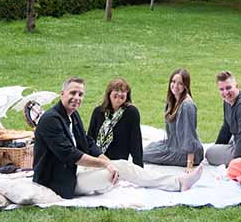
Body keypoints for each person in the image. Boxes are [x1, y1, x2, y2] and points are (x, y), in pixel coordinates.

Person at [33, 77, 202, 199]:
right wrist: (106, 164)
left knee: (122, 166)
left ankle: (176, 182)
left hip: (74, 171)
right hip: (59, 181)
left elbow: (87, 143)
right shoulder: (51, 120)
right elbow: (69, 154)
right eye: (73, 93)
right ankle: (179, 183)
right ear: (62, 93)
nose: (77, 98)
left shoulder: (72, 115)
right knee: (122, 168)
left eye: (80, 94)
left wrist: (106, 161)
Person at [144, 69, 204, 168]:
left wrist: (189, 165)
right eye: (173, 81)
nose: (175, 86)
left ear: (186, 86)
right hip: (172, 144)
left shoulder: (187, 106)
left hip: (185, 153)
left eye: (180, 83)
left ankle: (190, 159)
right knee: (148, 149)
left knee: (145, 155)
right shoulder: (172, 100)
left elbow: (189, 135)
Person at [87, 78, 143, 167]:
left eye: (123, 91)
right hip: (97, 161)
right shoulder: (98, 111)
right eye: (116, 90)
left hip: (118, 164)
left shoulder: (131, 112)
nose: (120, 94)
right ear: (109, 93)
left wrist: (139, 168)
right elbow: (90, 139)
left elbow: (135, 141)